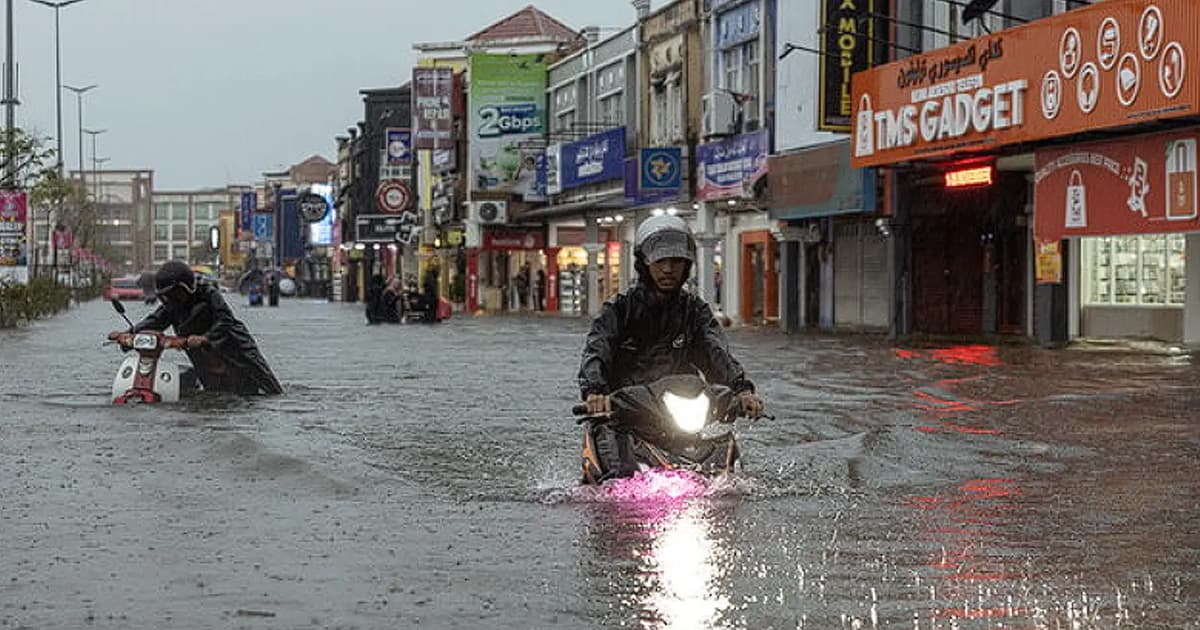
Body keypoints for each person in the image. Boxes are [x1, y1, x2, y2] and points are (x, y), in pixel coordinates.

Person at [577, 215, 764, 475]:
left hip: (679, 412)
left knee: (727, 474)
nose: (668, 269)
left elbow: (715, 352)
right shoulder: (619, 309)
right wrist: (595, 391)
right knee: (616, 480)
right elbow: (597, 349)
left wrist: (741, 390)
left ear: (687, 266)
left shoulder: (695, 311)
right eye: (660, 261)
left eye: (676, 261)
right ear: (644, 263)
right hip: (623, 414)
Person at [109, 260, 283, 396]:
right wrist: (128, 334)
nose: (170, 299)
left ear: (186, 287)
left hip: (233, 349)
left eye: (174, 293)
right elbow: (155, 321)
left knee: (266, 390)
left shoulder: (207, 293)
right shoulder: (172, 307)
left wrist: (206, 338)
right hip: (202, 356)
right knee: (211, 393)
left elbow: (225, 319)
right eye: (165, 296)